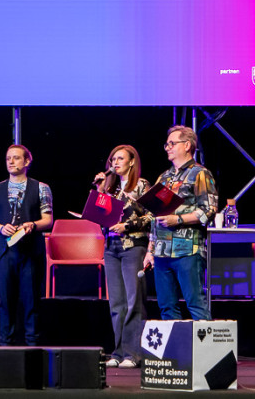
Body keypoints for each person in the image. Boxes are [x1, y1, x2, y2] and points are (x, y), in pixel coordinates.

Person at [142, 125, 218, 321]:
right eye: (166, 144)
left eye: (172, 143)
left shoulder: (200, 173)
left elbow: (209, 210)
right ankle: (174, 343)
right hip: (162, 252)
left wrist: (178, 219)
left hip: (187, 251)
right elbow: (155, 216)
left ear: (187, 145)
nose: (167, 147)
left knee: (195, 304)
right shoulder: (164, 177)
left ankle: (205, 341)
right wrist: (150, 250)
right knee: (167, 307)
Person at [0, 144, 54, 346]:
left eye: (16, 158)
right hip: (4, 252)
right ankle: (5, 345)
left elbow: (48, 220)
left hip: (31, 252)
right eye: (8, 158)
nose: (11, 162)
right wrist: (0, 228)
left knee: (32, 301)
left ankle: (33, 344)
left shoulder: (41, 188)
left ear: (27, 161)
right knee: (6, 301)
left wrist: (33, 224)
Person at [92, 145, 152, 368]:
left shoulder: (142, 185)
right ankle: (118, 352)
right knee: (117, 303)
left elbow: (151, 217)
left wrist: (127, 225)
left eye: (120, 158)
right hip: (111, 247)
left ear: (131, 161)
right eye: (112, 159)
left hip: (133, 246)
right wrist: (99, 190)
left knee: (133, 300)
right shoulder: (110, 188)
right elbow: (98, 215)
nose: (115, 163)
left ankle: (133, 353)